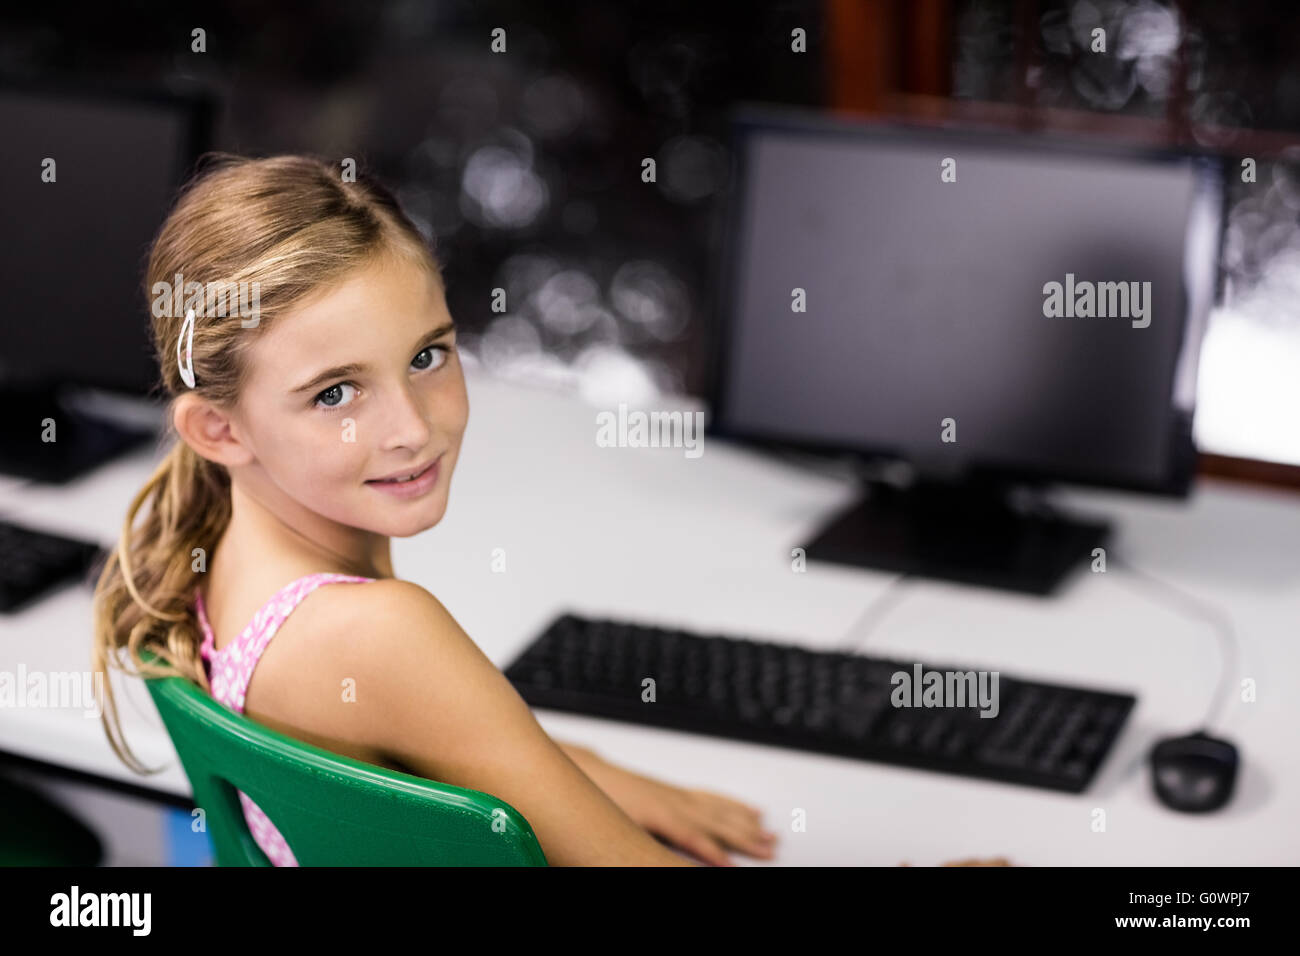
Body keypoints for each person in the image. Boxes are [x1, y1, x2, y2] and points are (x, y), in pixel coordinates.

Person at [91, 153, 777, 866]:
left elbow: (445, 743)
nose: (412, 429)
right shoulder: (381, 635)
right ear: (220, 430)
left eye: (427, 357)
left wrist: (611, 780)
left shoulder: (215, 558)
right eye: (335, 393)